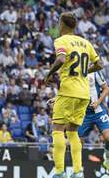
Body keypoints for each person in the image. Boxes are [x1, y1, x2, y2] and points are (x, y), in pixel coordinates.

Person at [44, 12, 103, 178]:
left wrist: (49, 74)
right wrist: (83, 72)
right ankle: (78, 172)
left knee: (57, 130)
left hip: (68, 91)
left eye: (58, 22)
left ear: (62, 24)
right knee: (73, 133)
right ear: (75, 25)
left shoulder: (61, 40)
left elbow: (61, 59)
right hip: (84, 94)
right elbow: (100, 64)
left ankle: (59, 171)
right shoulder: (86, 43)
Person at [78, 72, 109, 168]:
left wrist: (98, 102)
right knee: (78, 144)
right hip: (83, 115)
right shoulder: (75, 72)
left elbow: (106, 88)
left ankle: (107, 157)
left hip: (98, 111)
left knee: (108, 137)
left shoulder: (95, 73)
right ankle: (78, 169)